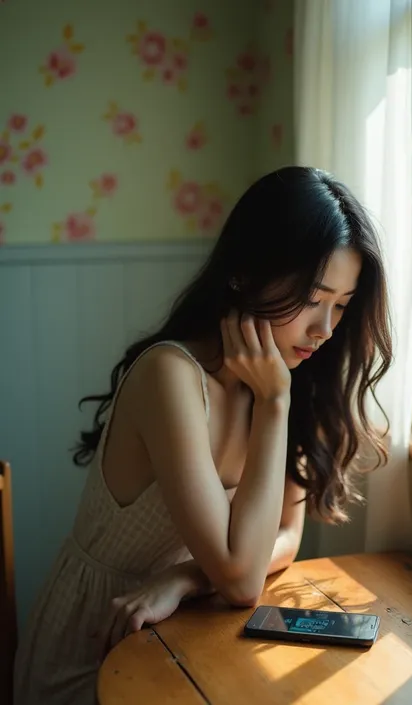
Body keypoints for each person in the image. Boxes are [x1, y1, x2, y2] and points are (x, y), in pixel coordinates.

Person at [14, 166, 392, 704]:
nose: (325, 329)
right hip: (98, 641)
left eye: (342, 306)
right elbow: (242, 581)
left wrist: (188, 578)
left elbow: (286, 534)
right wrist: (274, 402)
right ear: (245, 273)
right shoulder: (172, 377)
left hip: (186, 625)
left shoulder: (287, 380)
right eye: (313, 297)